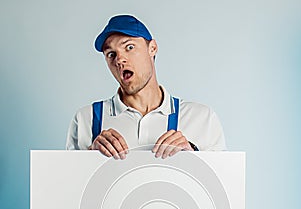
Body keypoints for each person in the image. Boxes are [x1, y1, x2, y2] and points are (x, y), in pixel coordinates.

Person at [66, 15, 226, 159]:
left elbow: (223, 185)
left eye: (129, 47)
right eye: (111, 54)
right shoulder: (87, 119)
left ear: (152, 48)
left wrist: (193, 157)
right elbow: (67, 187)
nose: (119, 60)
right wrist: (87, 159)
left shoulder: (201, 118)